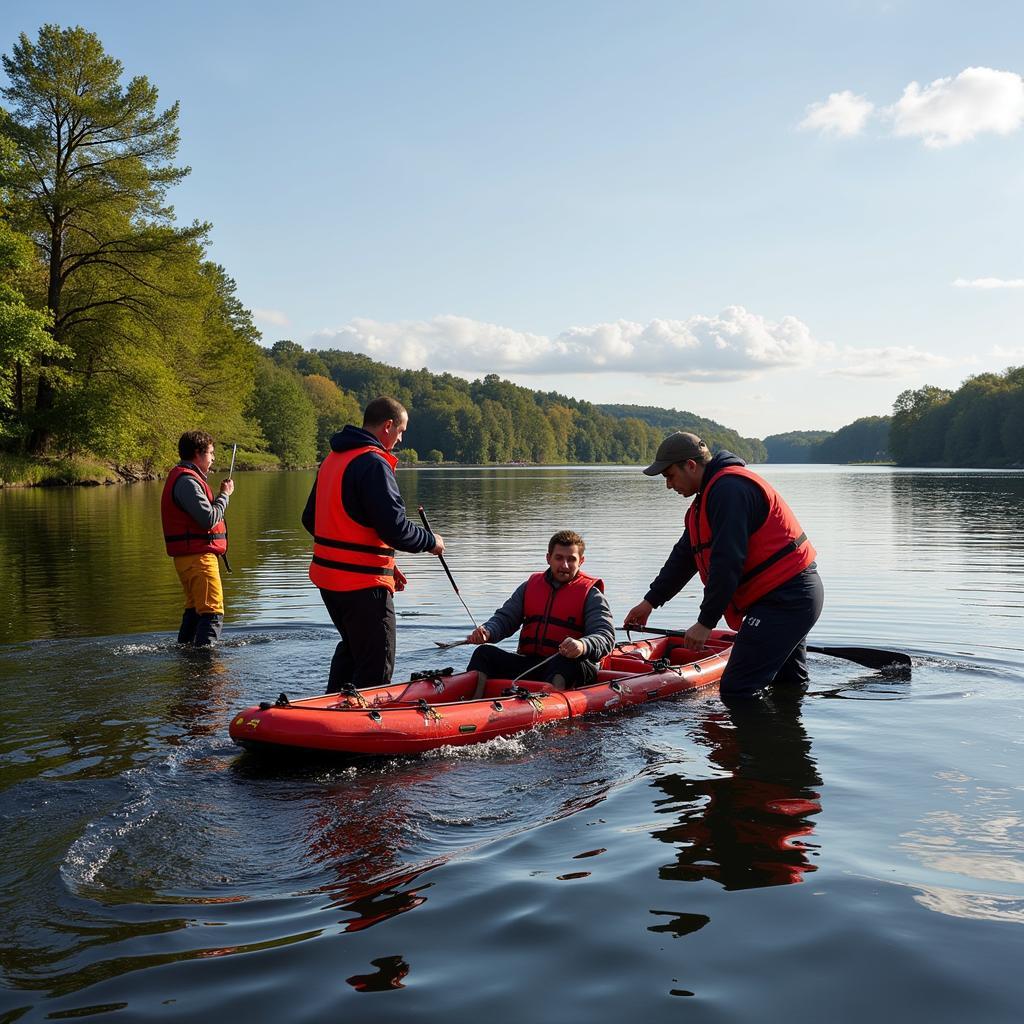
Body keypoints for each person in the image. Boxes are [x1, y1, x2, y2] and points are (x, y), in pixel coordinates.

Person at [624, 432, 824, 699]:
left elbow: (727, 562)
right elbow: (684, 557)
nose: (668, 485)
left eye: (669, 475)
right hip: (785, 597)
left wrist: (705, 622)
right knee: (788, 683)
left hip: (786, 597)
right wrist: (650, 601)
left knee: (737, 689)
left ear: (691, 465)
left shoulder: (728, 491)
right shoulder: (707, 499)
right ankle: (782, 737)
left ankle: (756, 739)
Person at [302, 396, 444, 694]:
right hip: (362, 585)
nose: (401, 439)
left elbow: (310, 519)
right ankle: (358, 731)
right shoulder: (373, 462)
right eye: (401, 432)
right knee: (376, 663)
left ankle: (328, 715)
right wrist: (431, 541)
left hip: (329, 581)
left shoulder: (333, 459)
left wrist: (381, 559)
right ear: (388, 426)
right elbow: (396, 529)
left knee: (353, 651)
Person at [465, 530, 615, 691]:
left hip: (571, 665)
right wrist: (487, 632)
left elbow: (605, 636)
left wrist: (582, 645)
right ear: (548, 558)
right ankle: (469, 703)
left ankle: (551, 707)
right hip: (531, 663)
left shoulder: (591, 594)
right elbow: (505, 618)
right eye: (559, 558)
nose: (564, 565)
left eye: (571, 559)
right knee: (484, 653)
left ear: (581, 561)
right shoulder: (530, 587)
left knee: (564, 662)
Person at [161, 430, 234, 647]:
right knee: (212, 612)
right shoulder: (187, 481)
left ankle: (186, 662)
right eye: (211, 453)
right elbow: (208, 519)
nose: (213, 458)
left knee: (194, 612)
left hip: (191, 559)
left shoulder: (184, 478)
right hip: (198, 560)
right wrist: (225, 496)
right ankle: (206, 670)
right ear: (197, 453)